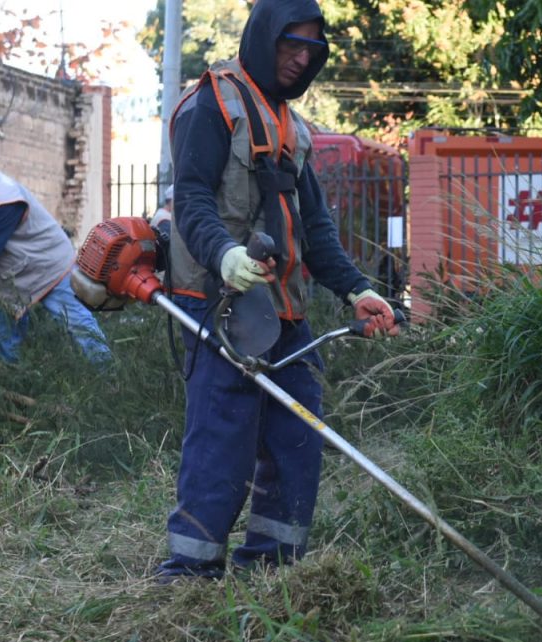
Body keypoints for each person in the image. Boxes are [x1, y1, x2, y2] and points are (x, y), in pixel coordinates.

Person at [157, 0, 399, 580]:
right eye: (291, 45)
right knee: (223, 442)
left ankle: (271, 568)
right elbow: (191, 197)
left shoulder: (293, 127)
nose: (300, 59)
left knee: (298, 439)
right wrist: (225, 254)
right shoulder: (212, 104)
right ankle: (189, 575)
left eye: (311, 51)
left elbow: (316, 228)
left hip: (285, 312)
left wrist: (357, 290)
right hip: (218, 306)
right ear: (264, 38)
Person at [0, 162, 112, 364]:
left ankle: (108, 373)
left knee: (77, 324)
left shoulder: (3, 199)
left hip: (49, 266)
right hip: (14, 277)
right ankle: (13, 376)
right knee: (6, 336)